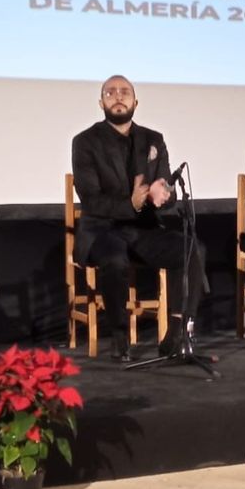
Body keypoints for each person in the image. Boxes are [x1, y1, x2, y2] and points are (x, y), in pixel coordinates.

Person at [71, 75, 205, 362]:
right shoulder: (84, 142)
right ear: (101, 102)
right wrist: (129, 204)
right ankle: (120, 337)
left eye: (124, 92)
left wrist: (164, 194)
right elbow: (91, 199)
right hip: (101, 230)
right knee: (115, 259)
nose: (118, 96)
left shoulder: (153, 139)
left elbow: (165, 185)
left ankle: (177, 334)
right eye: (110, 92)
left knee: (192, 248)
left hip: (143, 230)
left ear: (135, 102)